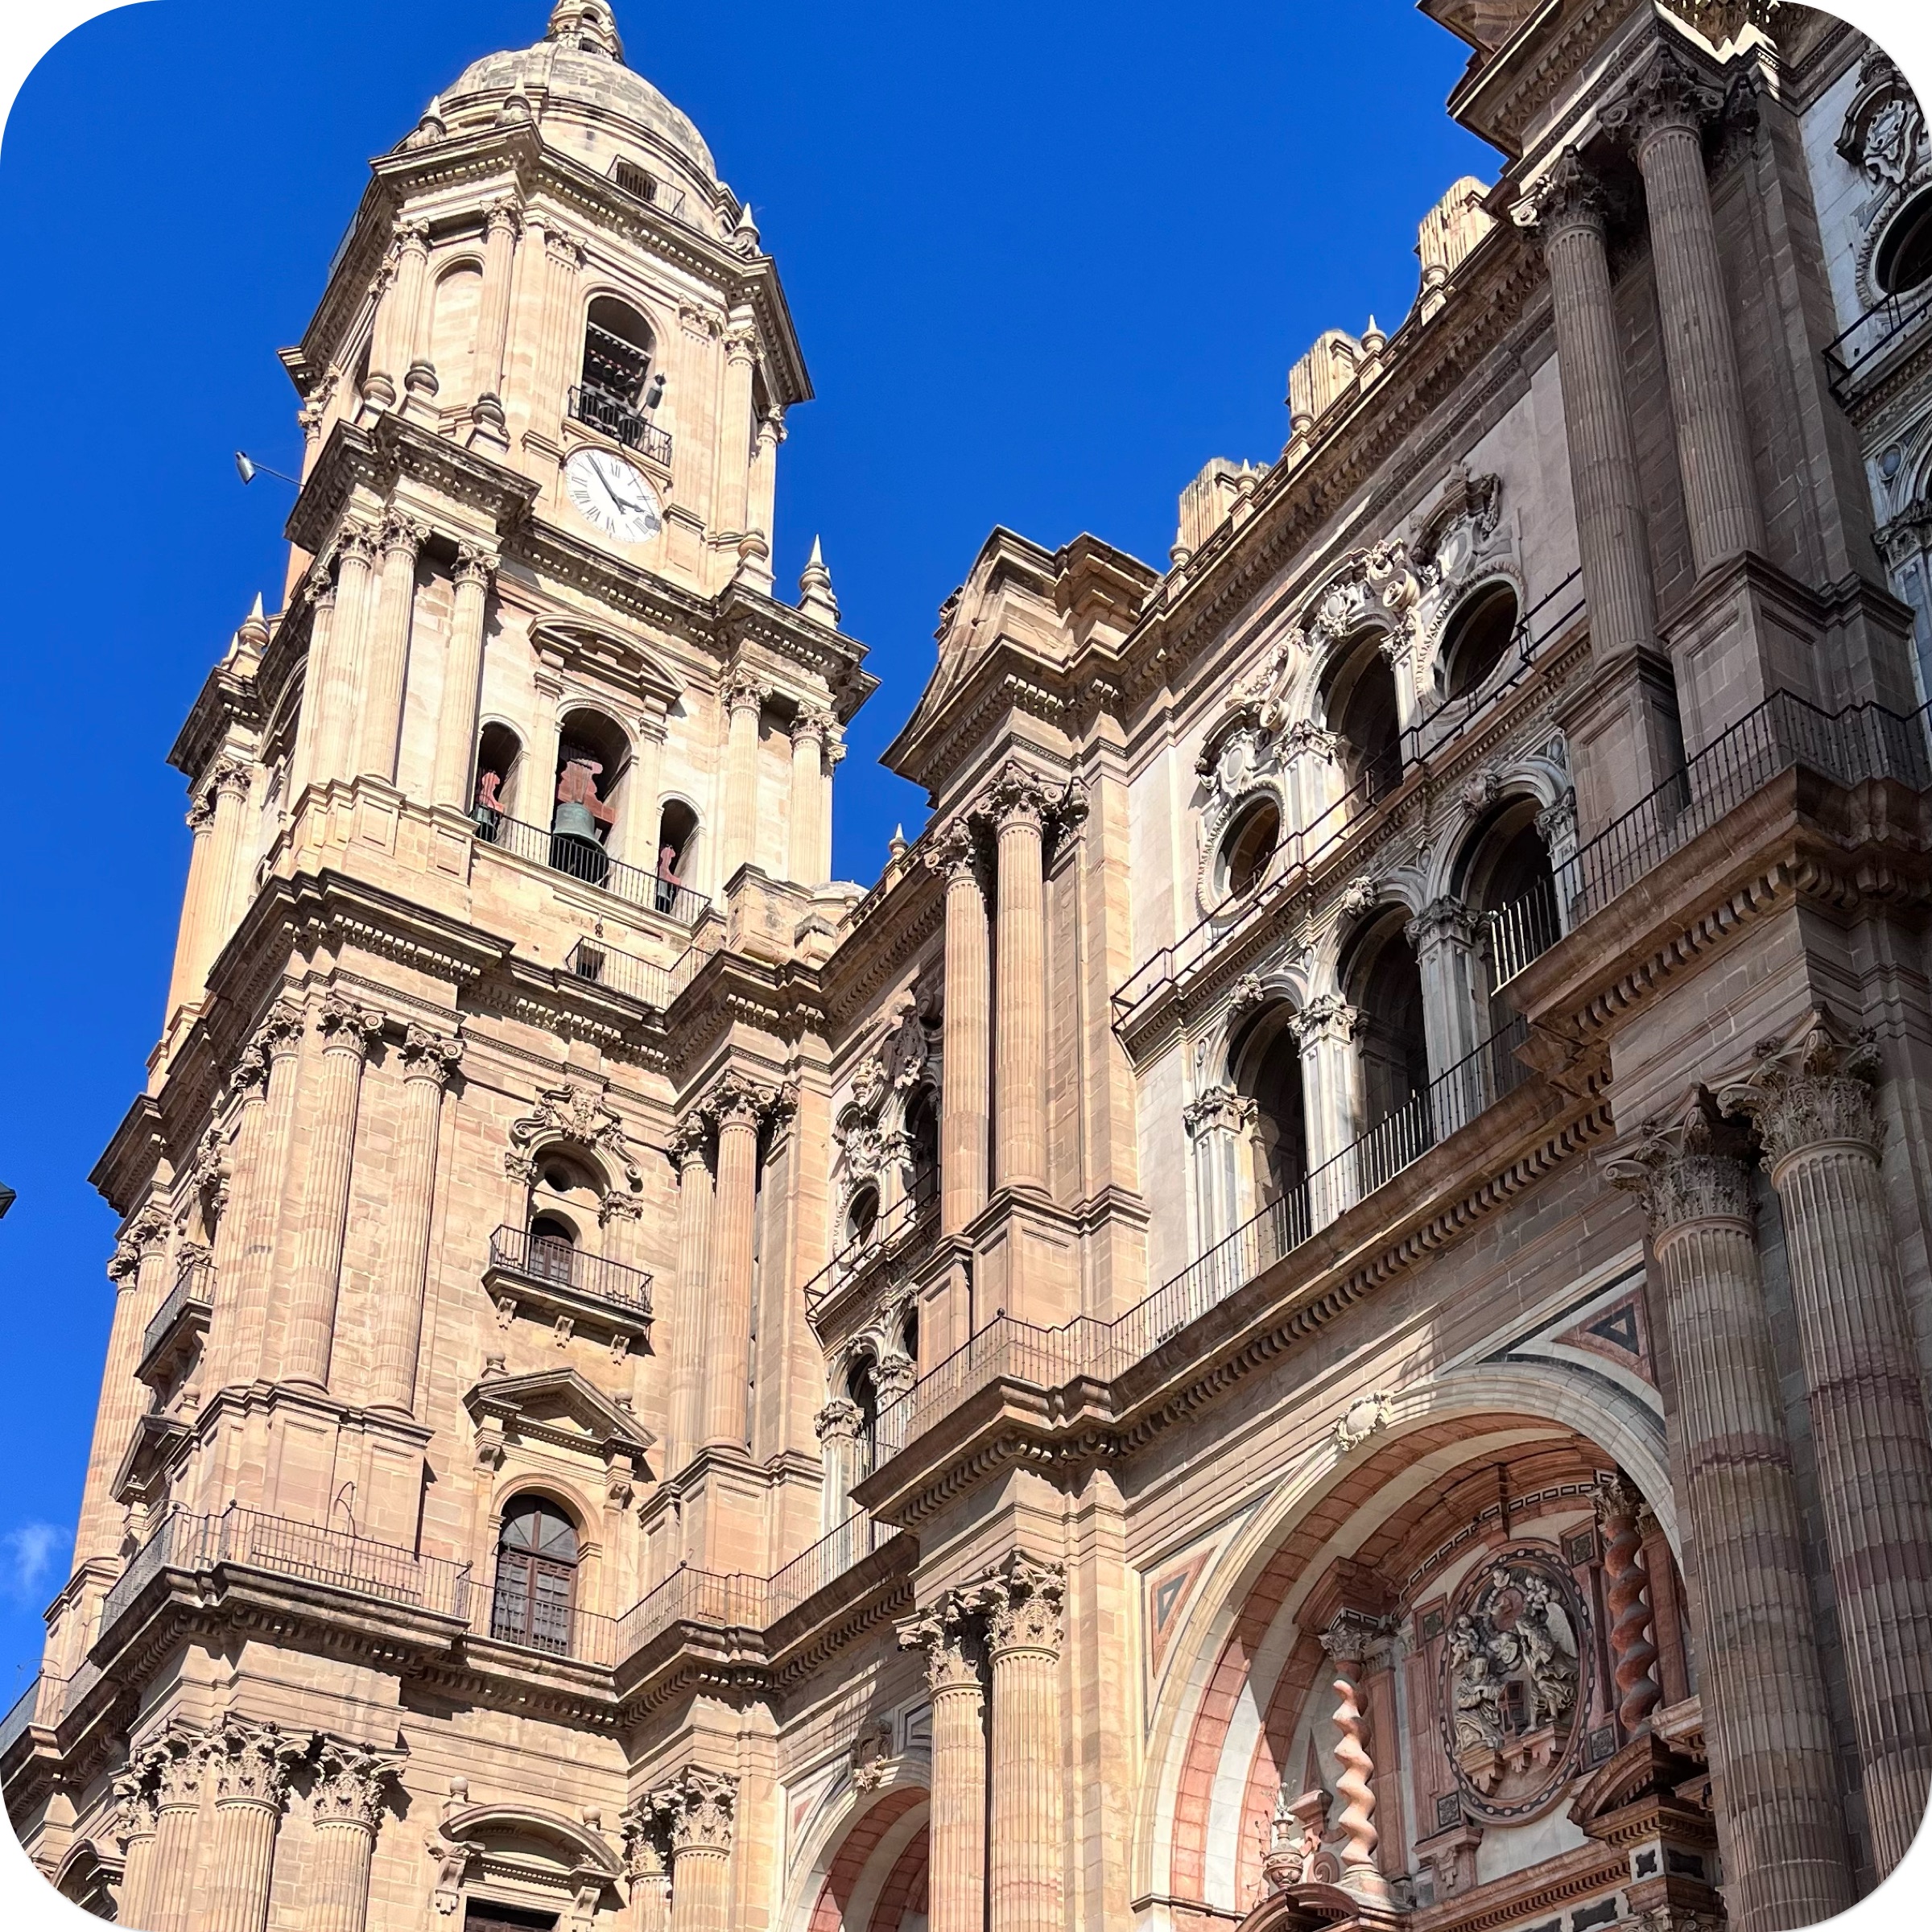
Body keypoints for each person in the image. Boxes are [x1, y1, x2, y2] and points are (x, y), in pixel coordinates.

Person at [655, 841, 683, 913]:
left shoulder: (665, 853)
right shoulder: (666, 852)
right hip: (662, 890)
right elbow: (665, 867)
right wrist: (675, 880)